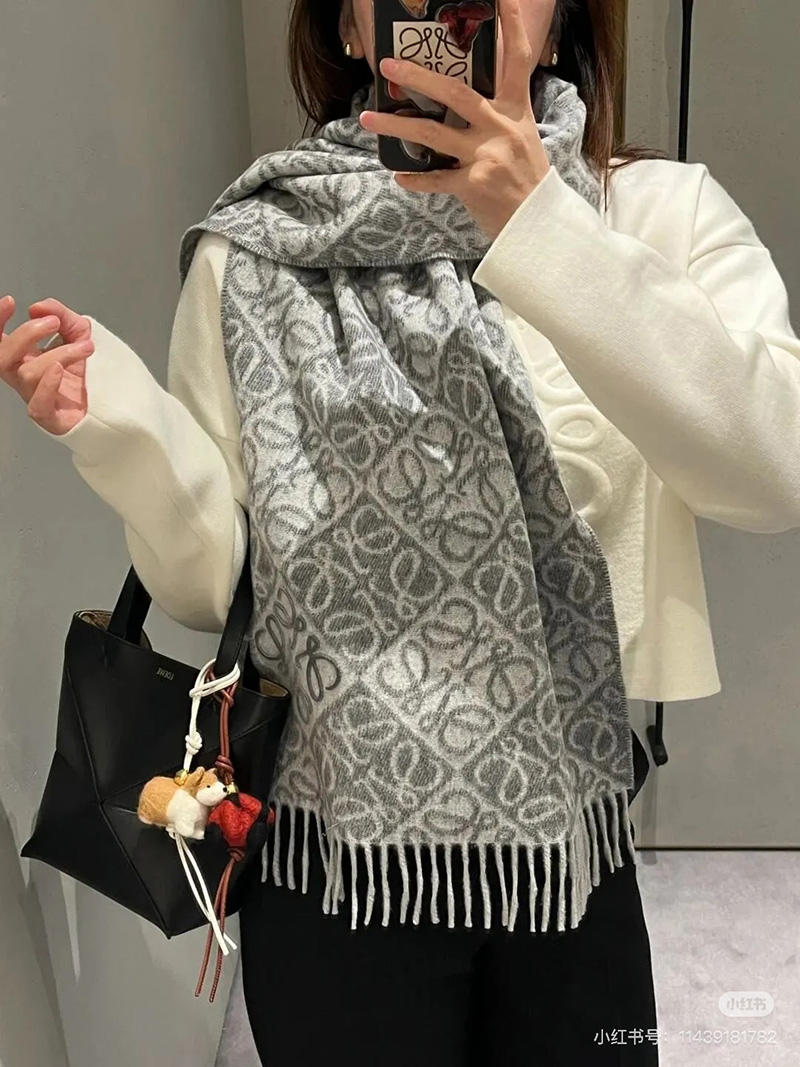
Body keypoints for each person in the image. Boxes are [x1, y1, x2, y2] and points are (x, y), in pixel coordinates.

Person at [2, 0, 799, 1063]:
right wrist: (119, 428)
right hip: (331, 861)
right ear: (348, 27)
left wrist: (539, 228)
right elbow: (213, 592)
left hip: (568, 848)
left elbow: (775, 471)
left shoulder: (652, 215)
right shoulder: (253, 251)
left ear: (559, 19)